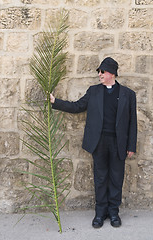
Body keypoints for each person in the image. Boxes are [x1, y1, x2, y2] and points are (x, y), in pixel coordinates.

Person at [50, 57, 137, 228]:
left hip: (119, 143)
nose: (99, 74)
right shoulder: (94, 91)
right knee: (100, 177)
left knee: (116, 178)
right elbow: (77, 107)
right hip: (99, 142)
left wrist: (131, 146)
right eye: (99, 71)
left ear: (112, 73)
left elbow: (132, 122)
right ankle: (100, 212)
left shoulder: (128, 94)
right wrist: (56, 102)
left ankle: (113, 213)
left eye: (102, 71)